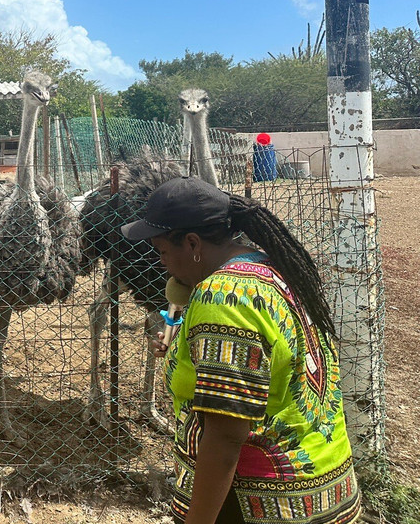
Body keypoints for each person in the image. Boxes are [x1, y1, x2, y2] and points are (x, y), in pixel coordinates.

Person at [121, 176, 361, 524]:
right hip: (326, 485)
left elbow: (224, 438)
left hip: (260, 502)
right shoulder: (269, 265)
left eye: (161, 251)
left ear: (192, 243)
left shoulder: (223, 298)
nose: (162, 263)